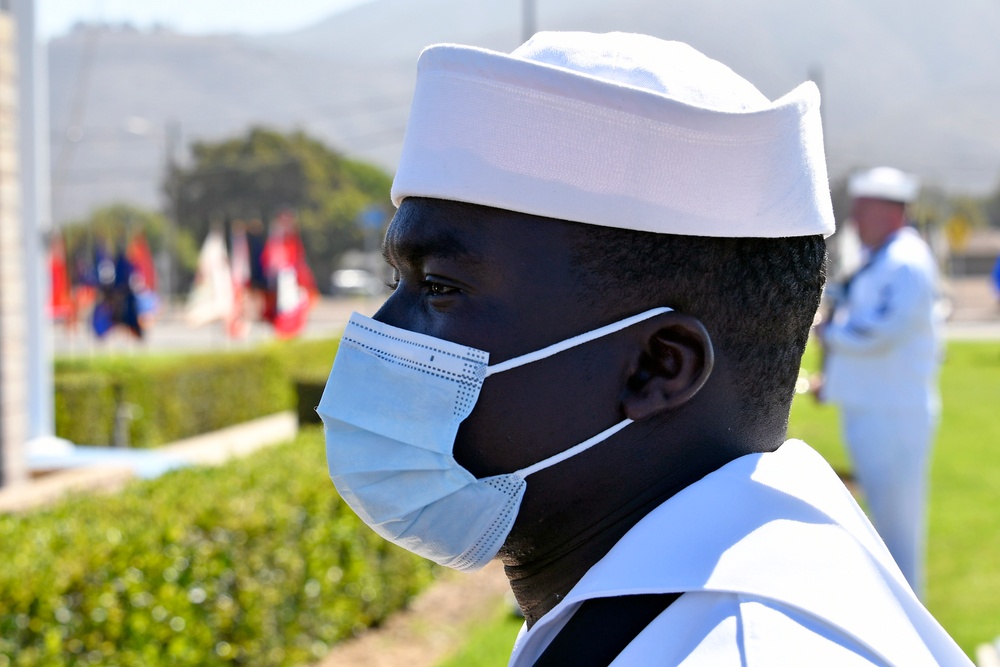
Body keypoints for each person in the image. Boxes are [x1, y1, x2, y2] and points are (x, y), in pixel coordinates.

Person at [318, 33, 970, 665]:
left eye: (438, 286)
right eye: (397, 281)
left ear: (658, 366)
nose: (387, 329)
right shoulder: (641, 614)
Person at [818, 166, 943, 602]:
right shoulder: (881, 259)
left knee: (896, 535)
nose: (855, 219)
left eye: (864, 209)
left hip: (893, 415)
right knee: (881, 529)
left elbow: (883, 332)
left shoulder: (906, 262)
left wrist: (827, 334)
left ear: (891, 211)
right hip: (872, 409)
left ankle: (909, 640)